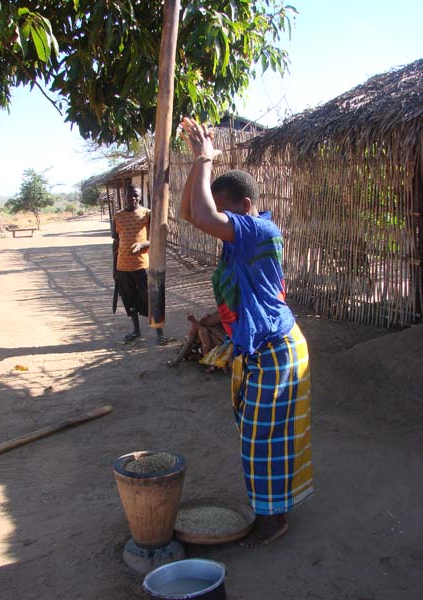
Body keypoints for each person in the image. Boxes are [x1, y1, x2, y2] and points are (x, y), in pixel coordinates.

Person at [179, 117, 314, 547]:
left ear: (247, 204)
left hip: (277, 349)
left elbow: (200, 213)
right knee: (257, 434)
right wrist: (194, 164)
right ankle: (273, 507)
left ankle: (274, 519)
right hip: (261, 348)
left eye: (226, 210)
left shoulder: (258, 231)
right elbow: (190, 213)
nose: (218, 219)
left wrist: (205, 158)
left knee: (262, 440)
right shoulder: (239, 233)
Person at [112, 184, 165, 345]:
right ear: (124, 196)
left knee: (150, 298)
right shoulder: (117, 217)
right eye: (129, 195)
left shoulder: (147, 214)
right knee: (129, 300)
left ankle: (159, 333)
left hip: (142, 265)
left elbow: (157, 238)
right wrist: (114, 268)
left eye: (135, 195)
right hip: (123, 267)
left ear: (140, 196)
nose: (132, 198)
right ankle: (136, 330)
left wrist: (143, 245)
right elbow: (115, 243)